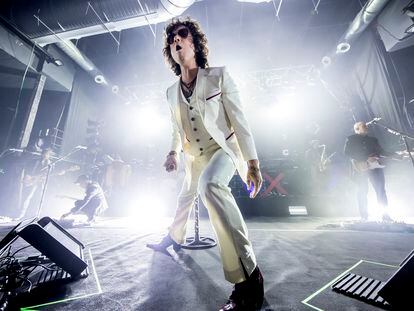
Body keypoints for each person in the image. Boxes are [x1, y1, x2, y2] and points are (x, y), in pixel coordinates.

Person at [146, 17, 264, 310]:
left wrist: (252, 162)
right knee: (185, 196)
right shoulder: (169, 92)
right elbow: (176, 129)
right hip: (194, 155)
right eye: (171, 37)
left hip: (223, 149)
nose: (176, 39)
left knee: (210, 186)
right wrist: (172, 153)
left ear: (194, 43)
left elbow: (240, 120)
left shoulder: (219, 76)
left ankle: (248, 275)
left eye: (182, 34)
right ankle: (174, 236)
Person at [344, 121, 394, 221]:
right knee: (362, 191)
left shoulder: (373, 139)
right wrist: (365, 158)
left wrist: (397, 154)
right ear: (357, 129)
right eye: (363, 126)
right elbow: (347, 152)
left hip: (375, 167)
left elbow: (382, 152)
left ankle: (385, 215)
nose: (366, 127)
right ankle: (364, 216)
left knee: (381, 191)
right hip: (360, 168)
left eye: (366, 125)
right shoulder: (351, 139)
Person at [17, 147, 54, 220]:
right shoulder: (35, 161)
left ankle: (35, 215)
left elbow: (49, 174)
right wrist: (29, 177)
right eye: (43, 153)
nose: (44, 155)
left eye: (46, 154)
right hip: (33, 181)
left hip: (42, 182)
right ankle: (21, 214)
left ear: (49, 155)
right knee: (27, 197)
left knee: (40, 199)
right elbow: (28, 169)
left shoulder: (50, 164)